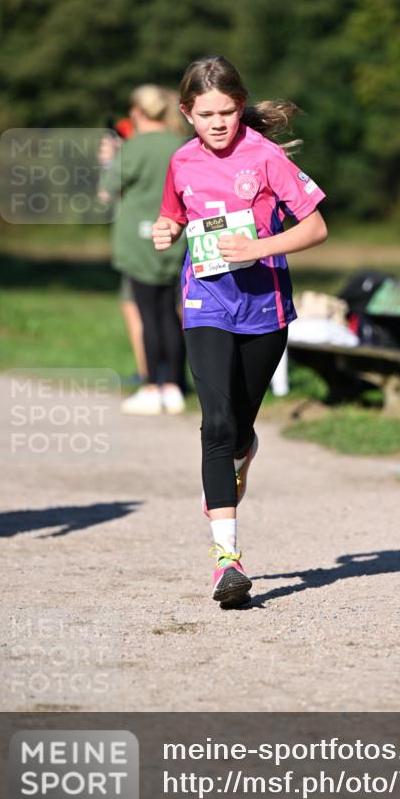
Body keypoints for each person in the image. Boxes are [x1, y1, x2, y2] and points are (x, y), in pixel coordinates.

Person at [152, 55, 328, 605]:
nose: (218, 123)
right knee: (216, 424)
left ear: (240, 107)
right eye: (205, 114)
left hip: (264, 309)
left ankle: (244, 448)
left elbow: (317, 228)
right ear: (187, 113)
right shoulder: (180, 162)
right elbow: (175, 216)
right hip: (205, 302)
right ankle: (227, 561)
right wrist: (165, 229)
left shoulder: (266, 156)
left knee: (238, 430)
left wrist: (258, 248)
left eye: (227, 111)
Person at [99, 85, 188, 415]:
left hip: (139, 243)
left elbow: (107, 193)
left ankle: (153, 386)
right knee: (170, 313)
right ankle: (176, 387)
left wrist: (111, 162)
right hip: (178, 239)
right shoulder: (183, 145)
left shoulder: (134, 148)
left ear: (137, 112)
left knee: (147, 314)